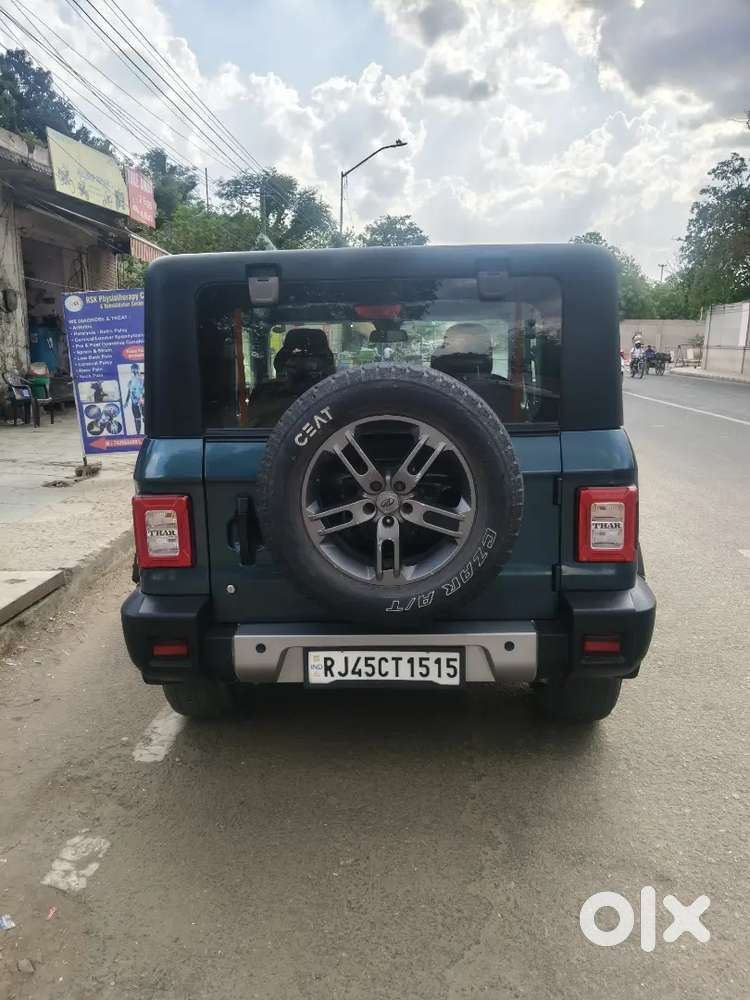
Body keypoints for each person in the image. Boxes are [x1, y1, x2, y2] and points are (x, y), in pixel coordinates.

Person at [124, 363, 145, 434]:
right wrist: (126, 402)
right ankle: (138, 434)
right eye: (133, 370)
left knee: (146, 417)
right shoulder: (131, 381)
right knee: (137, 419)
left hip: (143, 401)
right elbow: (129, 392)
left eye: (136, 370)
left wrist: (142, 398)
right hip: (134, 402)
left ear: (138, 369)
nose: (134, 371)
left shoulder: (143, 378)